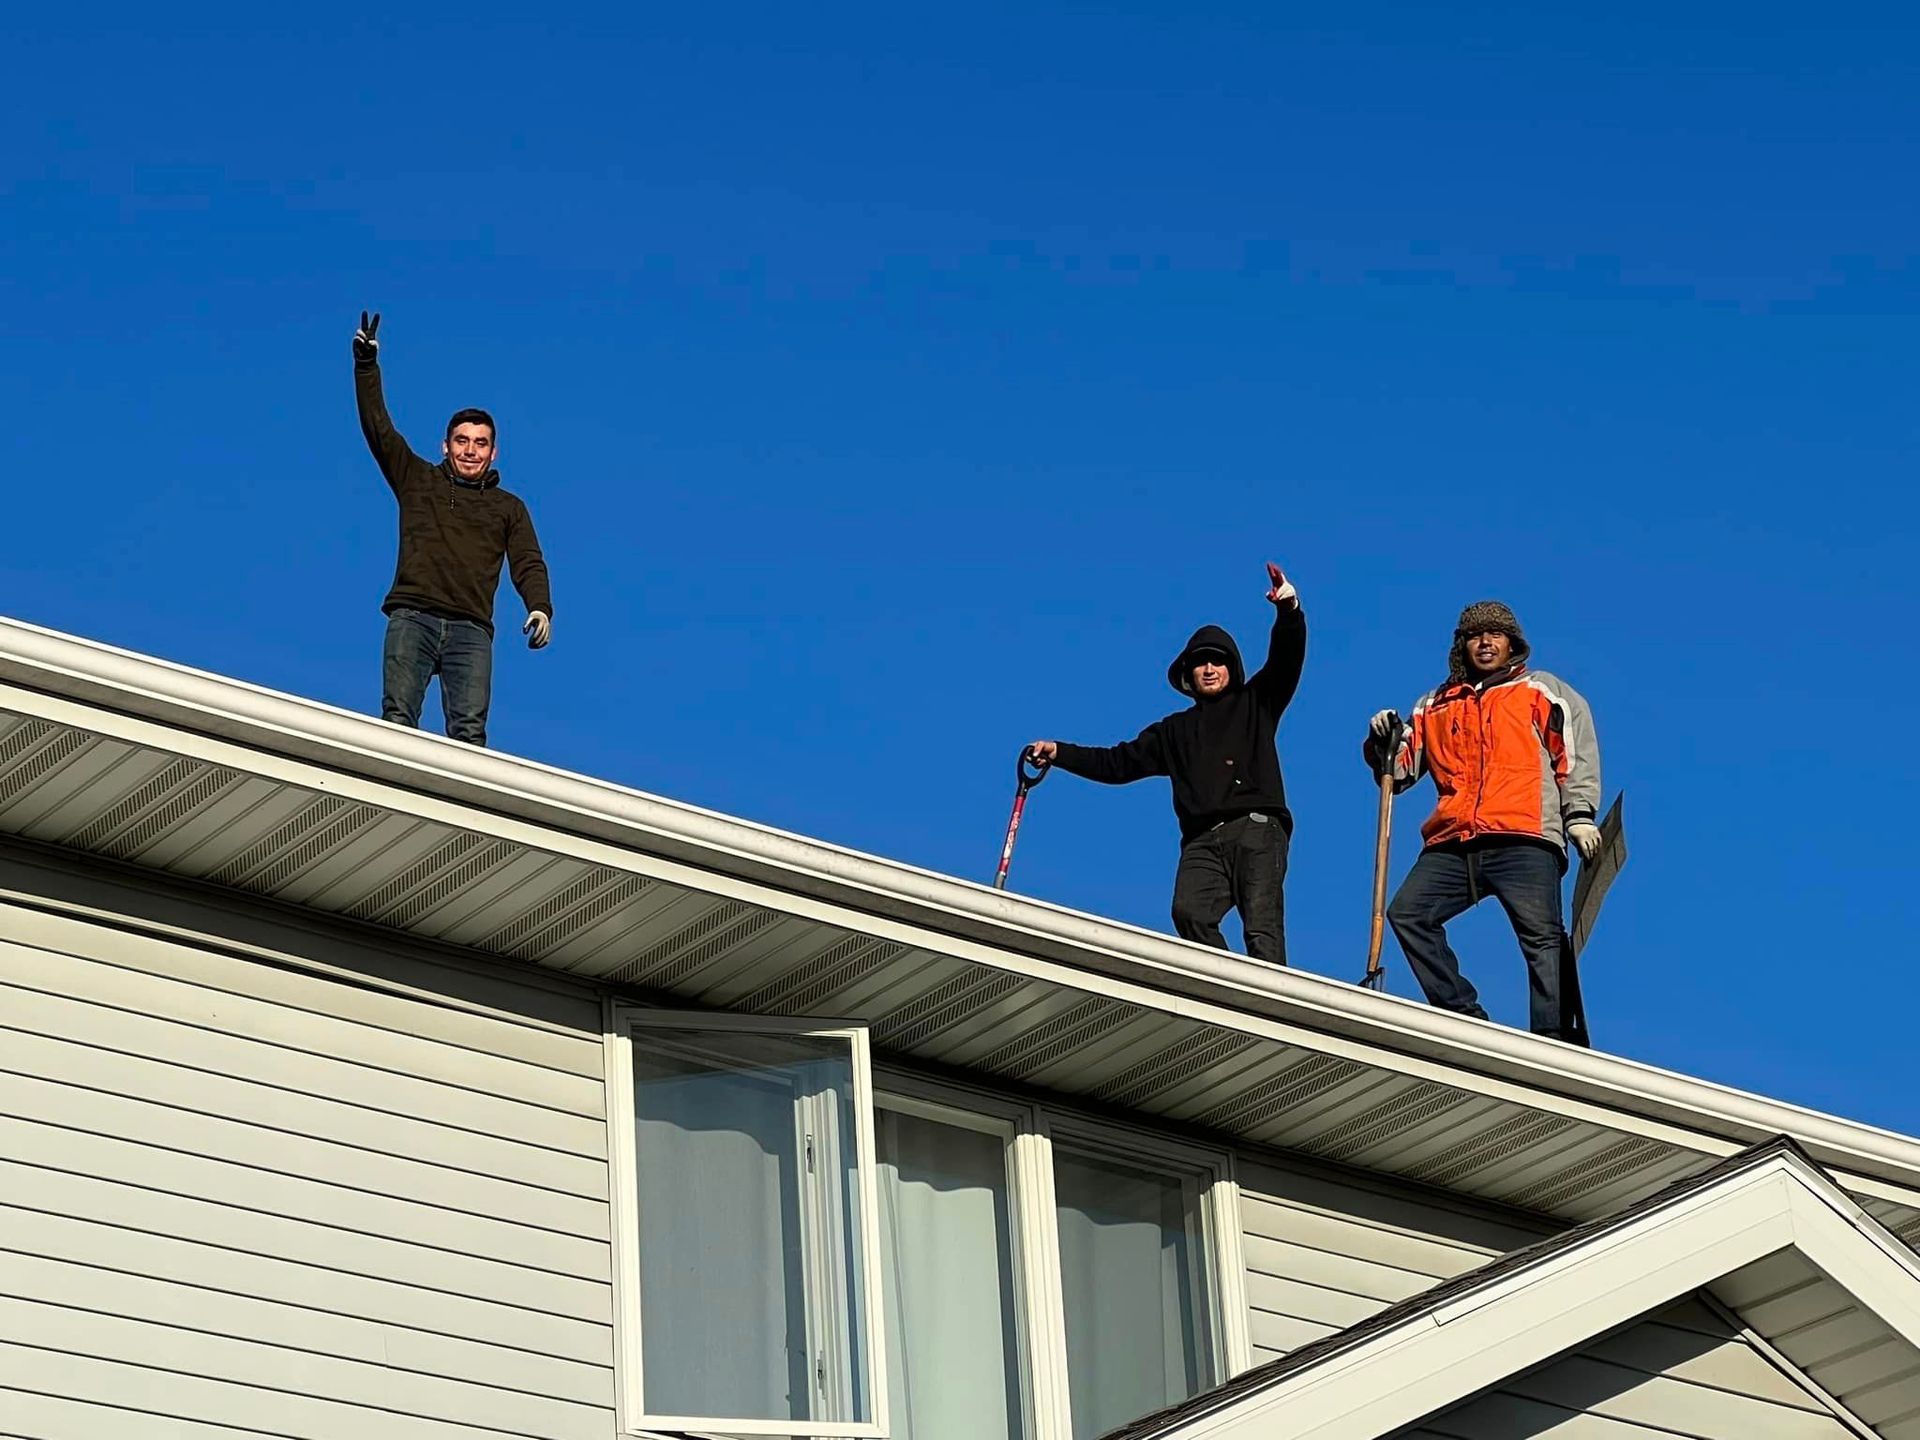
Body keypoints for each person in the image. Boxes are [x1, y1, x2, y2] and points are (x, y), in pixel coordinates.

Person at [1028, 563, 1306, 965]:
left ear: (1232, 668)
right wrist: (1060, 752)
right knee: (1189, 913)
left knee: (1261, 927)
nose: (1209, 669)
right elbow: (1117, 763)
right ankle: (1225, 990)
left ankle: (1276, 1014)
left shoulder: (1256, 703)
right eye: (1200, 663)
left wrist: (1288, 607)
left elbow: (1287, 658)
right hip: (1202, 841)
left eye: (1217, 661)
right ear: (1188, 675)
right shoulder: (1173, 731)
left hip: (1257, 829)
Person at [1364, 601, 1602, 1040]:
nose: (1486, 642)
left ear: (1512, 643)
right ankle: (1461, 1012)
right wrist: (1382, 740)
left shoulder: (1540, 690)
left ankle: (1552, 1038)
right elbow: (1397, 773)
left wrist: (1580, 815)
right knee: (1408, 912)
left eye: (1495, 634)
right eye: (1476, 635)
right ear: (1462, 646)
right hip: (1453, 839)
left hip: (1524, 834)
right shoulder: (1434, 704)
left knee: (1543, 938)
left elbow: (1573, 752)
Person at [351, 312, 552, 746]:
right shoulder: (417, 479)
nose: (470, 450)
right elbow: (379, 430)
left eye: (480, 443)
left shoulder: (508, 508)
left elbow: (528, 561)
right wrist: (366, 366)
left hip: (471, 630)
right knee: (397, 723)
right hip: (412, 617)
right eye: (462, 441)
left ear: (493, 453)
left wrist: (540, 606)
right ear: (446, 446)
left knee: (469, 738)